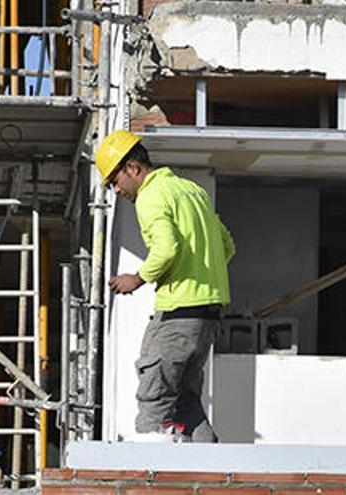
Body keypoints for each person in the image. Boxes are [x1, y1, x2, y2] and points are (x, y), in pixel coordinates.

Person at [95, 129, 235, 443]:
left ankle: (150, 480)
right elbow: (226, 246)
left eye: (114, 181)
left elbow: (166, 248)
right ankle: (210, 471)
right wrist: (198, 271)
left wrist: (138, 278)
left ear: (133, 168)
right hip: (207, 318)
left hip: (177, 316)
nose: (116, 190)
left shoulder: (151, 196)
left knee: (154, 399)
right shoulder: (192, 191)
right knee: (185, 401)